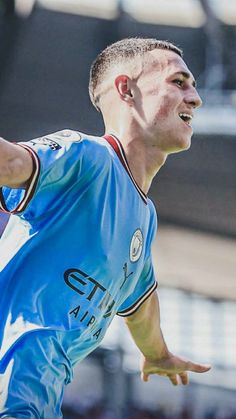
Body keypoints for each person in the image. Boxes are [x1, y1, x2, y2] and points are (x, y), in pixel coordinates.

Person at [0, 37, 211, 418]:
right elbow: (13, 164)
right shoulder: (87, 157)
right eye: (179, 82)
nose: (194, 98)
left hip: (39, 403)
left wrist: (157, 354)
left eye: (193, 86)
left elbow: (140, 305)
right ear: (126, 89)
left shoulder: (144, 218)